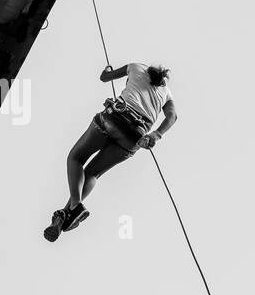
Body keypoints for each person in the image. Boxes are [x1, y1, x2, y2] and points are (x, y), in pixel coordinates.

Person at [44, 62, 177, 241]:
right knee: (92, 174)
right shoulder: (166, 92)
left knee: (76, 158)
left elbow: (105, 78)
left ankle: (75, 205)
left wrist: (107, 71)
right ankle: (66, 214)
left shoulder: (136, 67)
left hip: (114, 117)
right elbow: (172, 116)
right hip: (135, 136)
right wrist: (156, 135)